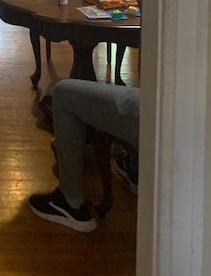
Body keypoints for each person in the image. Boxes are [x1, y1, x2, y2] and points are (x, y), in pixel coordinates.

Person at [29, 78, 140, 232]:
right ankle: (139, 168)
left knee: (63, 93)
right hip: (175, 118)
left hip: (155, 117)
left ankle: (70, 201)